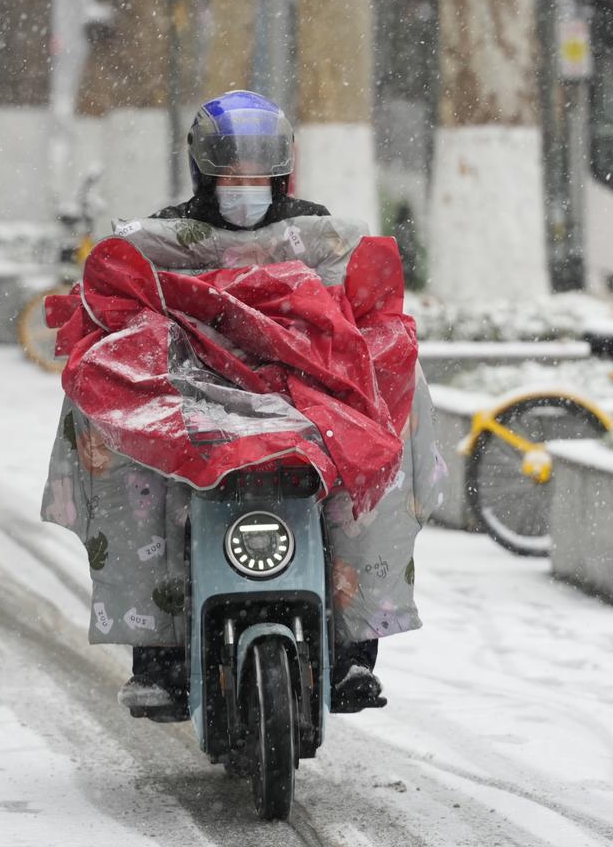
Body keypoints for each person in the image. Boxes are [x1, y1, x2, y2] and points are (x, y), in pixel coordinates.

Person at [41, 91, 446, 718]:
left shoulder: (321, 235)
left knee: (377, 436)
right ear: (205, 173)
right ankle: (159, 660)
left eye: (258, 176)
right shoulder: (163, 237)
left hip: (309, 404)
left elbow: (356, 317)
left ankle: (351, 656)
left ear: (282, 173)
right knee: (139, 466)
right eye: (231, 176)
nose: (245, 188)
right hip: (198, 404)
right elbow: (123, 303)